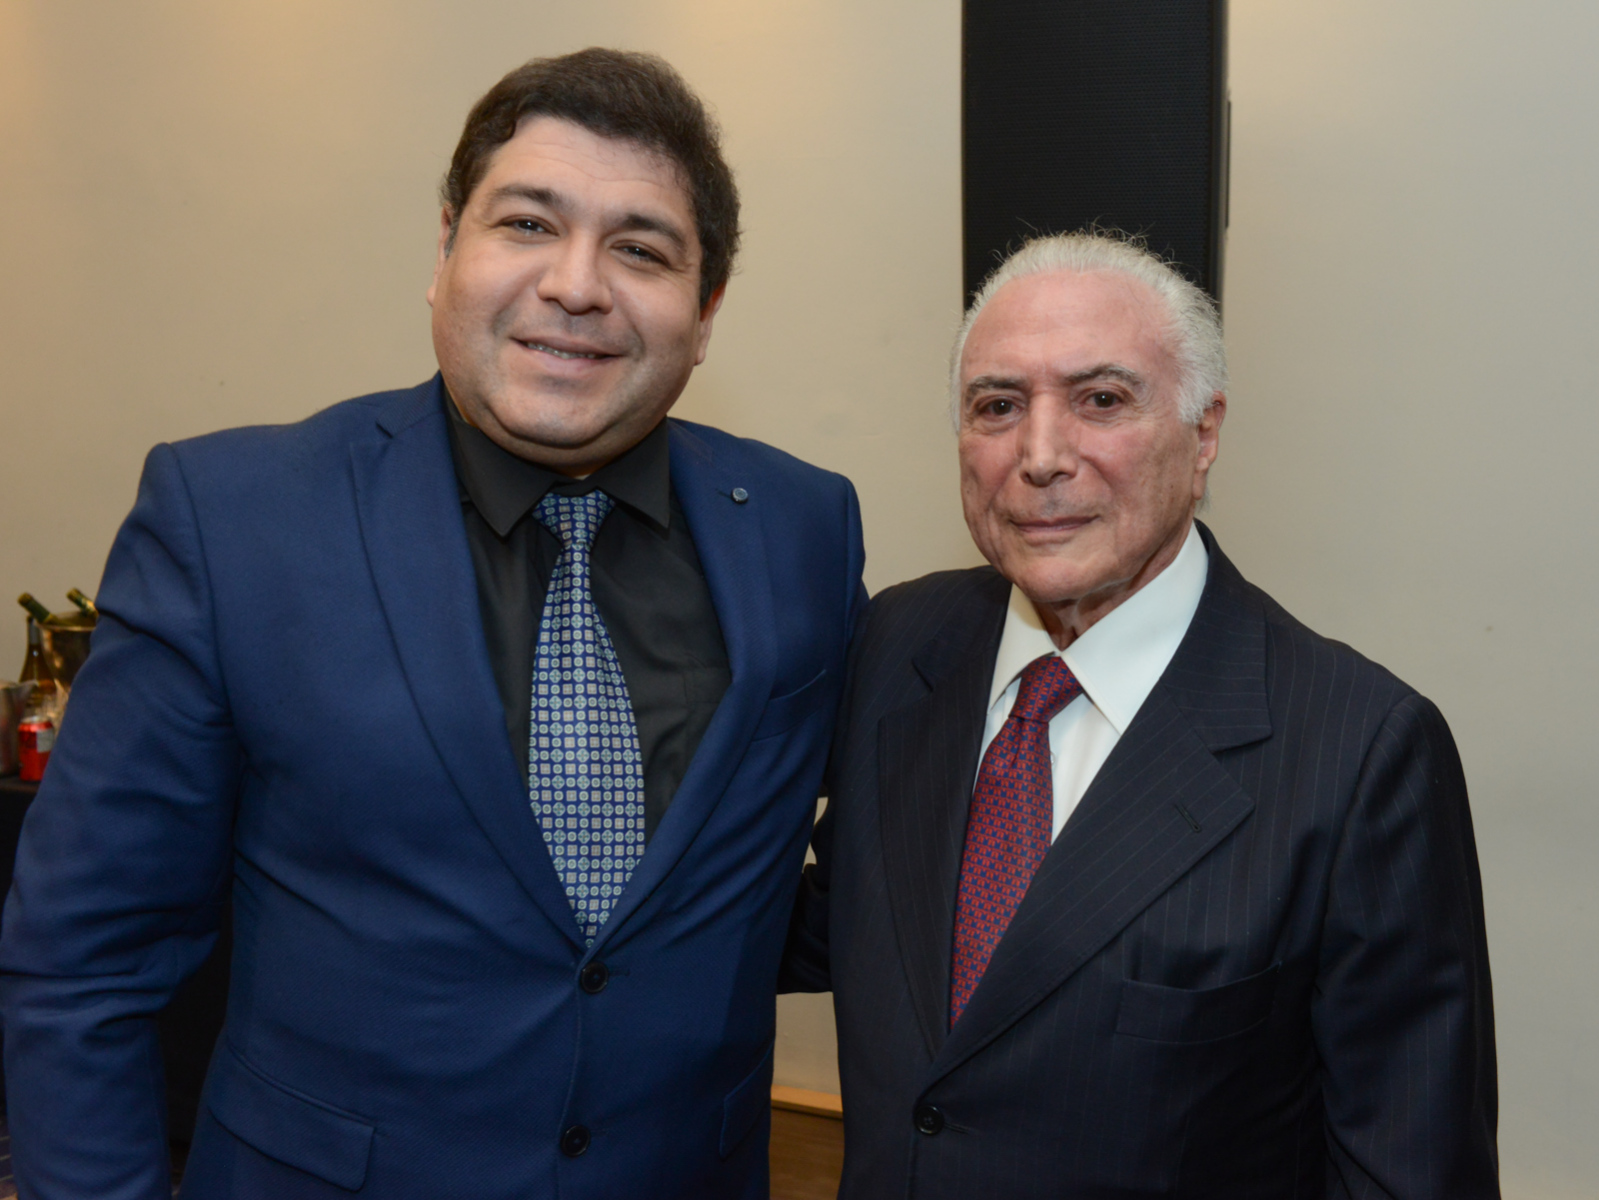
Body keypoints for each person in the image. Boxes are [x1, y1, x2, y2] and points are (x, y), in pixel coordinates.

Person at [1, 48, 864, 1199]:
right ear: (447, 249)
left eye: (641, 249)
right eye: (527, 224)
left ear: (703, 314)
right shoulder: (233, 522)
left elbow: (855, 858)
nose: (576, 285)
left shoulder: (803, 528)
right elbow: (85, 958)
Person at [783, 231, 1499, 1198]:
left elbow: (1407, 1167)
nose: (1040, 457)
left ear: (1203, 435)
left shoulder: (1361, 750)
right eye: (997, 406)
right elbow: (842, 921)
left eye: (1101, 400)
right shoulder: (896, 644)